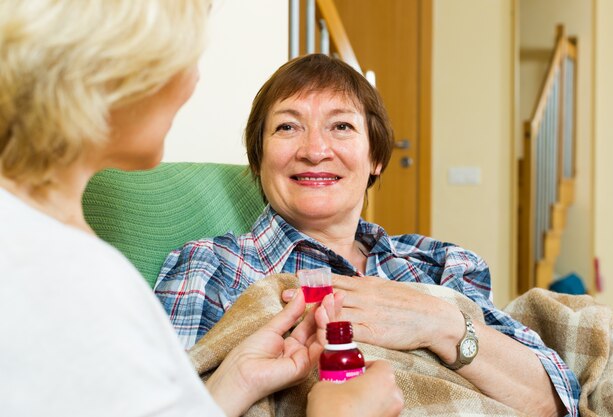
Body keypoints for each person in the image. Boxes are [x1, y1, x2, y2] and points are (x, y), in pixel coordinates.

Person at [0, 1, 403, 416]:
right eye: (181, 60)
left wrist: (235, 384)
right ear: (111, 74)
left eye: (341, 126)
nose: (192, 82)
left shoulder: (57, 248)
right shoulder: (58, 271)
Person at [155, 53, 582, 417]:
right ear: (259, 159)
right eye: (288, 127)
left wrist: (438, 324)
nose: (315, 149)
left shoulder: (440, 264)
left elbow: (556, 399)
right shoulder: (212, 267)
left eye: (341, 126)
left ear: (375, 157)